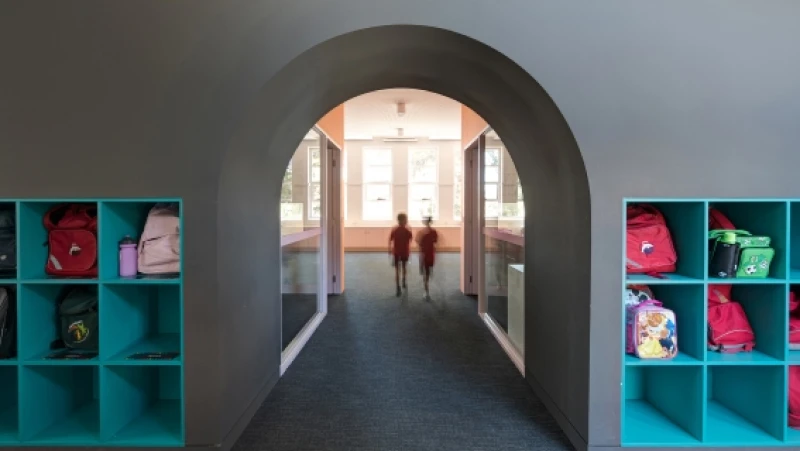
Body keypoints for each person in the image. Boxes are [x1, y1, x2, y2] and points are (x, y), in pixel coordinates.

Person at [388, 212, 413, 296]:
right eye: (406, 219)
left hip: (396, 252)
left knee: (397, 270)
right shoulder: (407, 230)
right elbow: (410, 239)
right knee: (404, 267)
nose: (407, 220)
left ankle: (398, 287)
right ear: (403, 220)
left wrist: (389, 250)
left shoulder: (394, 229)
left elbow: (390, 240)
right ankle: (404, 281)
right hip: (404, 252)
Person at [415, 216, 439, 301]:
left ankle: (426, 291)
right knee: (427, 271)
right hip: (430, 253)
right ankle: (426, 289)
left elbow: (418, 241)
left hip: (424, 253)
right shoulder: (434, 231)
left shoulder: (421, 232)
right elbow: (435, 241)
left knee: (424, 273)